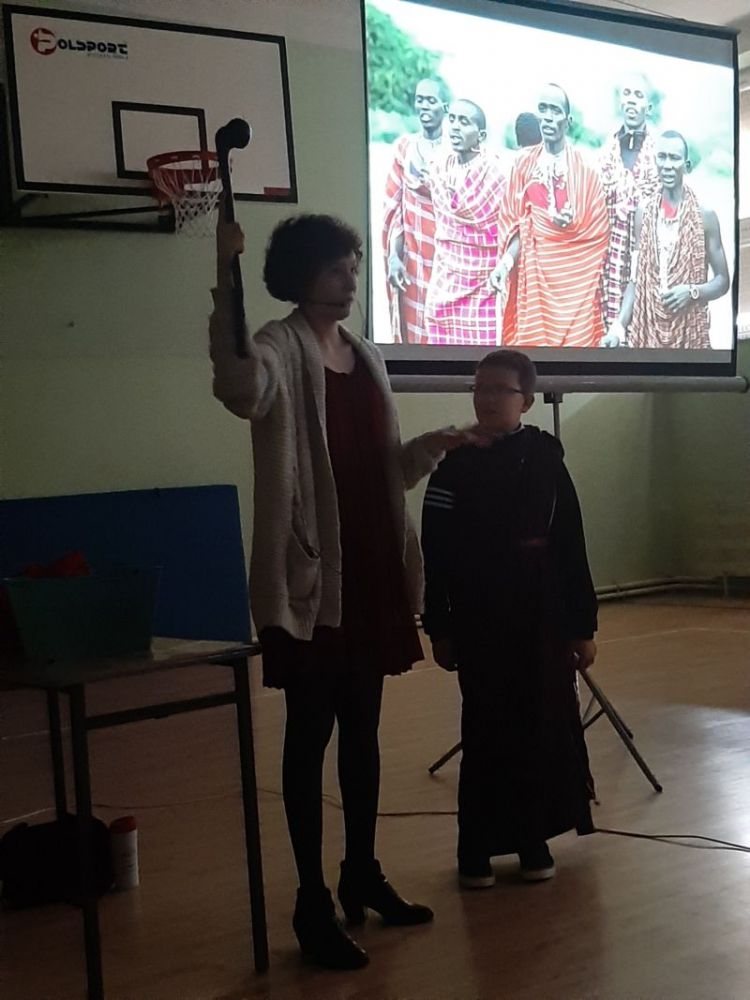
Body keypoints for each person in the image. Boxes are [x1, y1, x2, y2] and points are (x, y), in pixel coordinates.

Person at [210, 213, 471, 970]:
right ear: (301, 276)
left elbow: (383, 467)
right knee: (309, 736)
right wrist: (225, 276)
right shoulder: (276, 345)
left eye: (354, 267)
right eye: (336, 268)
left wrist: (427, 448)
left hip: (371, 568)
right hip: (313, 577)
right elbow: (239, 389)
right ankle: (311, 902)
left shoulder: (368, 356)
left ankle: (361, 871)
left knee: (363, 731)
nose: (350, 279)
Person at [420, 349, 597, 889]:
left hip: (540, 613)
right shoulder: (453, 464)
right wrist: (440, 625)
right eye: (480, 388)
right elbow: (435, 552)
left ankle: (531, 839)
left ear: (526, 400)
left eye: (500, 389)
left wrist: (582, 626)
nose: (488, 398)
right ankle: (475, 847)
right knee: (486, 727)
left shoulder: (545, 459)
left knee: (538, 724)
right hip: (479, 614)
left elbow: (570, 545)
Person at [491, 83, 610, 348]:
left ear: (568, 121)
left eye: (555, 110)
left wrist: (571, 225)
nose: (547, 117)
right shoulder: (523, 165)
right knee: (533, 354)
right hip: (534, 285)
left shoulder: (586, 170)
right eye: (542, 109)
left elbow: (599, 235)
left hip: (576, 289)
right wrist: (505, 264)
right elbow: (518, 225)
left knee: (576, 357)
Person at [608, 130, 730, 349]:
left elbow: (722, 281)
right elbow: (636, 279)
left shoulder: (705, 216)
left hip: (690, 335)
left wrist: (692, 292)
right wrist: (617, 327)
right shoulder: (643, 213)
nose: (667, 165)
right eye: (662, 157)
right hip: (648, 333)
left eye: (674, 158)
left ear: (687, 165)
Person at [423, 99, 507, 345]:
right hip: (445, 280)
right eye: (452, 120)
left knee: (484, 357)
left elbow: (512, 228)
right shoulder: (438, 169)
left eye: (464, 122)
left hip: (483, 285)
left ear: (481, 135)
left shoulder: (495, 173)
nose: (455, 127)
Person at [383, 79, 447, 343]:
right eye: (420, 100)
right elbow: (394, 209)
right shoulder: (405, 147)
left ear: (444, 106)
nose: (425, 106)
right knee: (413, 332)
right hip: (412, 258)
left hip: (447, 260)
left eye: (431, 100)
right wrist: (394, 257)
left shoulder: (455, 150)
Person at [598, 73, 660, 342]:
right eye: (627, 94)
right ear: (620, 102)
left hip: (648, 262)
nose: (632, 101)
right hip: (610, 264)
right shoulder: (605, 154)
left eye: (639, 95)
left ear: (649, 106)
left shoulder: (660, 155)